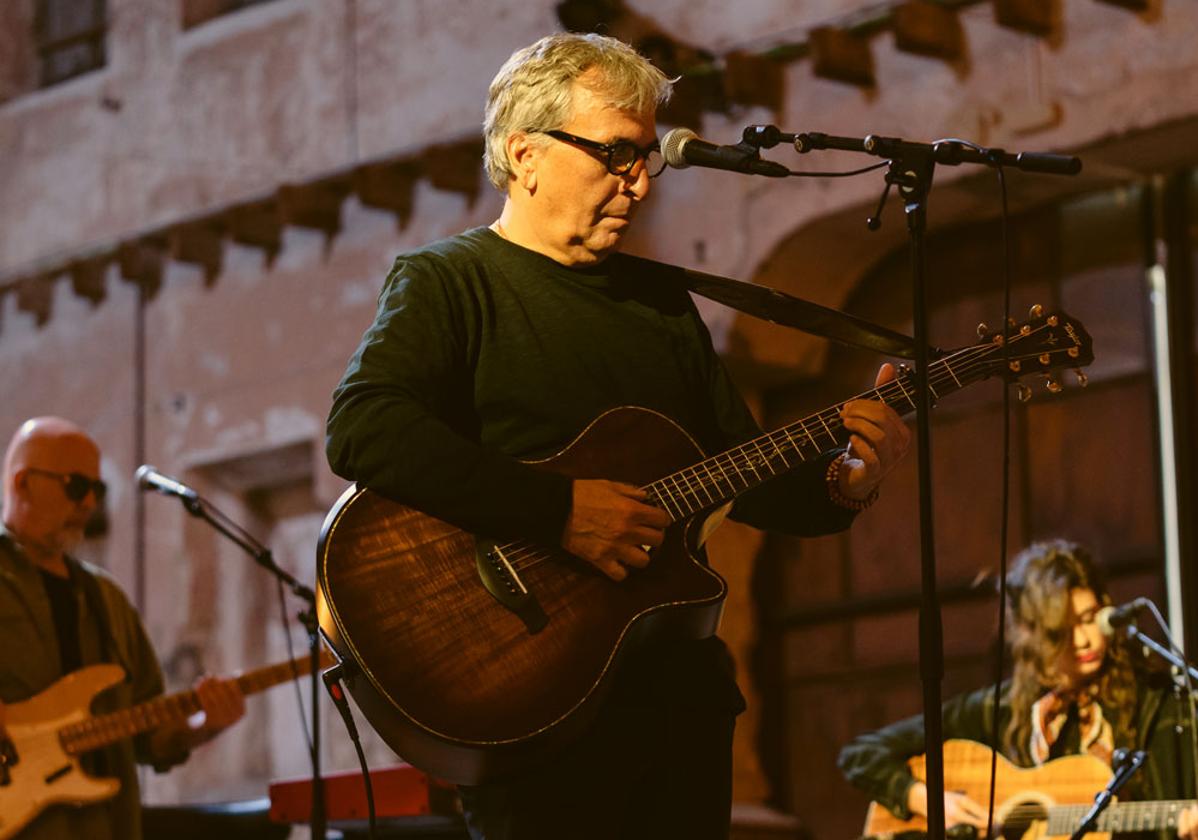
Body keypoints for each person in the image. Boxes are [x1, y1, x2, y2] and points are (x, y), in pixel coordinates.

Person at [326, 32, 910, 839]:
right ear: (526, 153)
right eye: (616, 154)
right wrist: (557, 511)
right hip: (530, 701)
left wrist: (850, 480)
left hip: (676, 702)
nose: (639, 183)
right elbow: (364, 429)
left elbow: (741, 473)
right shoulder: (449, 283)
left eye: (646, 159)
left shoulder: (662, 307)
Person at [838, 540, 1198, 840]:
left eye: (1090, 618)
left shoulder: (1155, 703)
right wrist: (926, 799)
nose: (1085, 640)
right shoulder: (1000, 710)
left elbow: (1171, 804)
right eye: (1063, 630)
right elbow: (861, 754)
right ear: (1033, 637)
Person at [0, 417, 246, 840]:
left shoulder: (106, 599)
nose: (89, 504)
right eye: (76, 486)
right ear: (22, 483)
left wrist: (204, 725)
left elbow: (148, 734)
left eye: (98, 490)